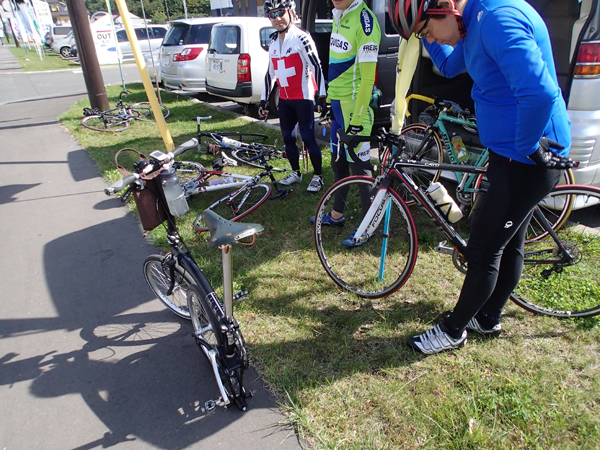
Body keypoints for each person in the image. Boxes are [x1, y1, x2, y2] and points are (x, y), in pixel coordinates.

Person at [389, 0, 574, 354]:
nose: (431, 37)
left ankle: (453, 330)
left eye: (428, 29)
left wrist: (527, 145)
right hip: (510, 155)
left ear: (445, 7)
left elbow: (539, 92)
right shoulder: (469, 25)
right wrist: (420, 32)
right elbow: (445, 64)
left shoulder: (497, 20)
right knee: (509, 243)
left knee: (483, 250)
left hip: (527, 157)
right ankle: (488, 317)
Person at [309, 0, 381, 247]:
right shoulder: (338, 14)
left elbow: (368, 78)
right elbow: (337, 65)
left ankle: (368, 227)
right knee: (338, 163)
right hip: (338, 106)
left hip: (355, 110)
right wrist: (329, 101)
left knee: (361, 172)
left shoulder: (365, 22)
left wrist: (358, 121)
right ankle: (337, 215)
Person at [259, 0, 327, 192]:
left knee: (307, 138)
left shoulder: (301, 38)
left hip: (303, 97)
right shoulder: (273, 41)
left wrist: (322, 96)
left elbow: (316, 66)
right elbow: (270, 73)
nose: (278, 18)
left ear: (291, 12)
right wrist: (264, 100)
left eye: (281, 12)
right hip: (285, 99)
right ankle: (296, 172)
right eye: (272, 14)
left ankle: (318, 176)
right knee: (287, 137)